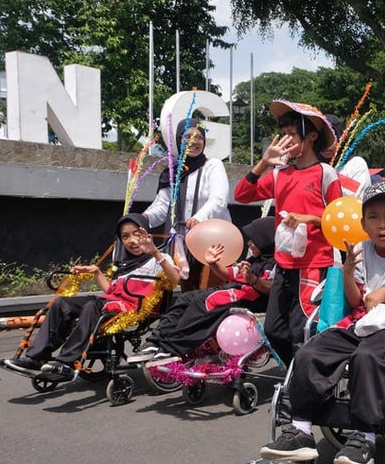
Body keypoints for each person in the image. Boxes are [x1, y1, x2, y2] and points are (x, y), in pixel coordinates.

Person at [259, 182, 385, 464]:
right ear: (364, 224)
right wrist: (349, 272)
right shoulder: (363, 250)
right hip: (363, 321)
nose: (383, 225)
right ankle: (301, 429)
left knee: (368, 356)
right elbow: (356, 301)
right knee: (311, 351)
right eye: (374, 217)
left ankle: (365, 436)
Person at [3, 214, 181, 378]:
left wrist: (155, 253)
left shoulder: (159, 257)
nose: (132, 241)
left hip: (135, 308)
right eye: (125, 237)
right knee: (61, 303)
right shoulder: (123, 263)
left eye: (137, 234)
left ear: (146, 233)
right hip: (112, 302)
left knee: (92, 307)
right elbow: (111, 292)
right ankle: (36, 357)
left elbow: (175, 280)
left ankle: (66, 362)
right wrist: (96, 272)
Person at [233, 100, 342, 359]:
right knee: (273, 330)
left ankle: (302, 385)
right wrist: (263, 163)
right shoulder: (280, 174)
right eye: (284, 134)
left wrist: (309, 219)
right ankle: (297, 378)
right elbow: (242, 194)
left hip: (314, 264)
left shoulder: (325, 173)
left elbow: (338, 221)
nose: (286, 140)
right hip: (283, 265)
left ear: (312, 136)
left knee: (303, 329)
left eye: (293, 134)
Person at [135, 217, 276, 360]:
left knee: (205, 301)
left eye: (254, 240)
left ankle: (172, 347)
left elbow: (273, 288)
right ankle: (157, 340)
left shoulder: (275, 264)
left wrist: (253, 279)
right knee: (186, 298)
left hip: (254, 299)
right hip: (237, 291)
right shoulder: (255, 260)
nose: (249, 243)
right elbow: (229, 273)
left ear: (265, 240)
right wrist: (213, 263)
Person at [144, 119, 231, 291]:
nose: (194, 141)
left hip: (212, 242)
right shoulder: (172, 173)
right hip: (182, 245)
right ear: (178, 139)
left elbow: (219, 199)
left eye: (199, 137)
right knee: (186, 290)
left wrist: (198, 218)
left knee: (209, 290)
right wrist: (142, 219)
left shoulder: (212, 166)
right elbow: (162, 207)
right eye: (187, 136)